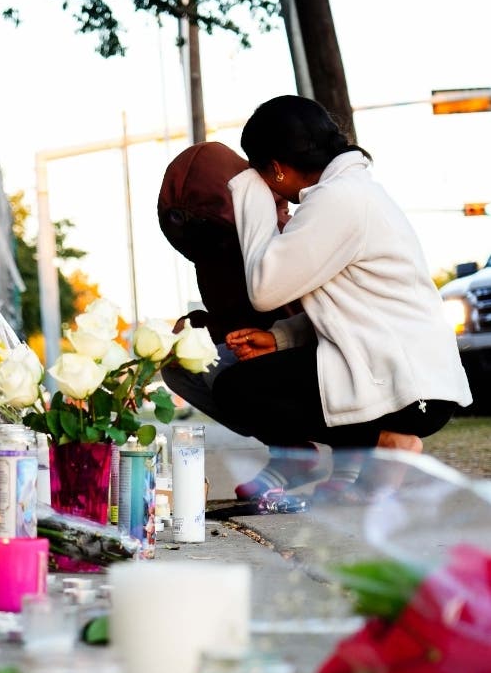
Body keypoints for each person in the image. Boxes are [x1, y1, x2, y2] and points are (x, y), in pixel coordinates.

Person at [212, 95, 471, 482]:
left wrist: (249, 190)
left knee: (236, 390)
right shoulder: (351, 193)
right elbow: (355, 307)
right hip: (414, 380)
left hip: (410, 390)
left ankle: (388, 443)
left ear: (277, 169)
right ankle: (372, 463)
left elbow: (264, 288)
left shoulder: (339, 200)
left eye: (261, 171)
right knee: (250, 380)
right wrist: (280, 338)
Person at [157, 141, 353, 500]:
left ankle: (352, 456)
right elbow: (234, 316)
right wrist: (198, 331)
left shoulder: (292, 229)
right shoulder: (213, 254)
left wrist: (277, 340)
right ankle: (291, 451)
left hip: (320, 353)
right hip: (264, 351)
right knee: (178, 362)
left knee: (319, 360)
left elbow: (329, 317)